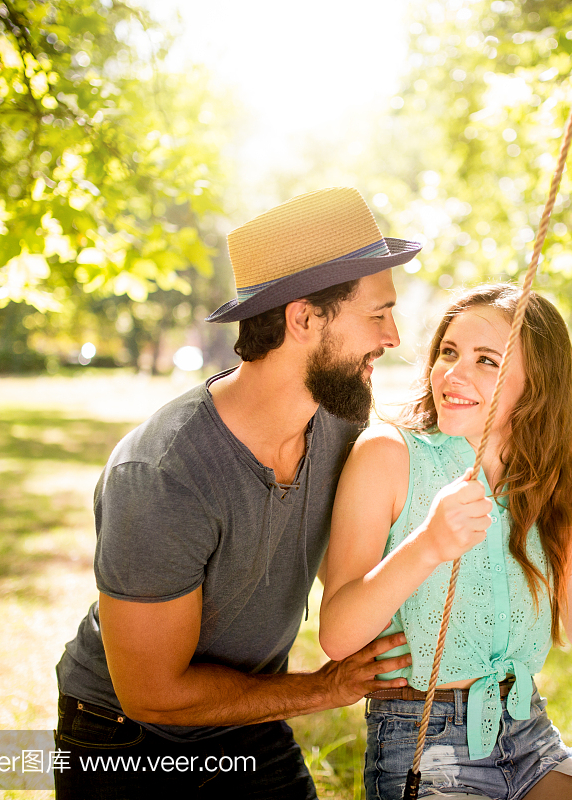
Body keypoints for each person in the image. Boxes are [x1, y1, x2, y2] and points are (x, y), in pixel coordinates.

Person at [53, 187, 424, 799]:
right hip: (123, 736)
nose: (394, 337)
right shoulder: (162, 474)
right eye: (378, 314)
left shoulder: (341, 424)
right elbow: (155, 693)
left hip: (246, 712)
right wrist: (324, 689)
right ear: (303, 318)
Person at [319, 283, 572, 800]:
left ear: (537, 384)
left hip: (526, 729)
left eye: (487, 360)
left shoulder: (557, 483)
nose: (454, 373)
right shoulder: (389, 454)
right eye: (449, 351)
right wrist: (428, 545)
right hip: (424, 737)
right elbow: (337, 634)